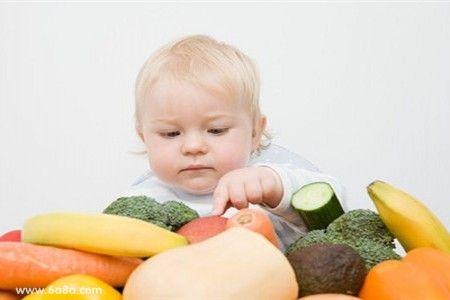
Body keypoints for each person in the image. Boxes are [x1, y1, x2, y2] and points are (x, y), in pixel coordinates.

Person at [121, 34, 346, 250]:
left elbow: (341, 213)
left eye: (216, 130)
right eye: (171, 134)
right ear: (144, 138)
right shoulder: (139, 203)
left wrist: (275, 186)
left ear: (255, 133)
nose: (192, 147)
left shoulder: (263, 183)